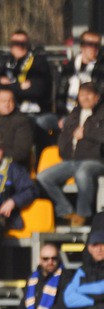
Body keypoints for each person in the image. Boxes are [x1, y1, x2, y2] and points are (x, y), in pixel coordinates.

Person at [37, 82, 104, 227]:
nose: (85, 98)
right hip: (71, 160)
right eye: (81, 95)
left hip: (95, 160)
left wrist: (85, 133)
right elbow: (64, 136)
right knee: (43, 177)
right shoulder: (74, 114)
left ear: (97, 97)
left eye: (89, 94)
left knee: (82, 173)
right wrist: (65, 150)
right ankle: (65, 210)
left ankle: (83, 214)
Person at [58, 30, 104, 115]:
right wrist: (61, 115)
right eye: (90, 44)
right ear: (82, 46)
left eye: (97, 45)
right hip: (68, 113)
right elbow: (61, 92)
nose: (94, 48)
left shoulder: (101, 68)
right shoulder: (70, 67)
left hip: (95, 114)